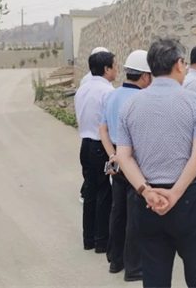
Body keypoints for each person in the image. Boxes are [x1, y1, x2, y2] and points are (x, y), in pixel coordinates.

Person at [115, 37, 196, 288]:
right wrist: (174, 194)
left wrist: (146, 191)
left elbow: (123, 156)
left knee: (155, 277)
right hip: (188, 199)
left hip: (147, 202)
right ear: (179, 64)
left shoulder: (130, 105)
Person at [99, 50, 152, 281]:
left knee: (118, 210)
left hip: (117, 158)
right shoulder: (142, 100)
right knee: (135, 214)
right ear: (145, 76)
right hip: (135, 161)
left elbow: (103, 129)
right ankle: (134, 267)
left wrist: (113, 155)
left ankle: (115, 260)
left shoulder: (112, 95)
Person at [74, 50, 117, 253]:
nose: (116, 69)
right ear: (107, 69)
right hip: (102, 147)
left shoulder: (82, 89)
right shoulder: (108, 92)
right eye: (115, 66)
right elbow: (110, 125)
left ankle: (88, 239)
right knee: (104, 193)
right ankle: (101, 241)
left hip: (85, 145)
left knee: (90, 191)